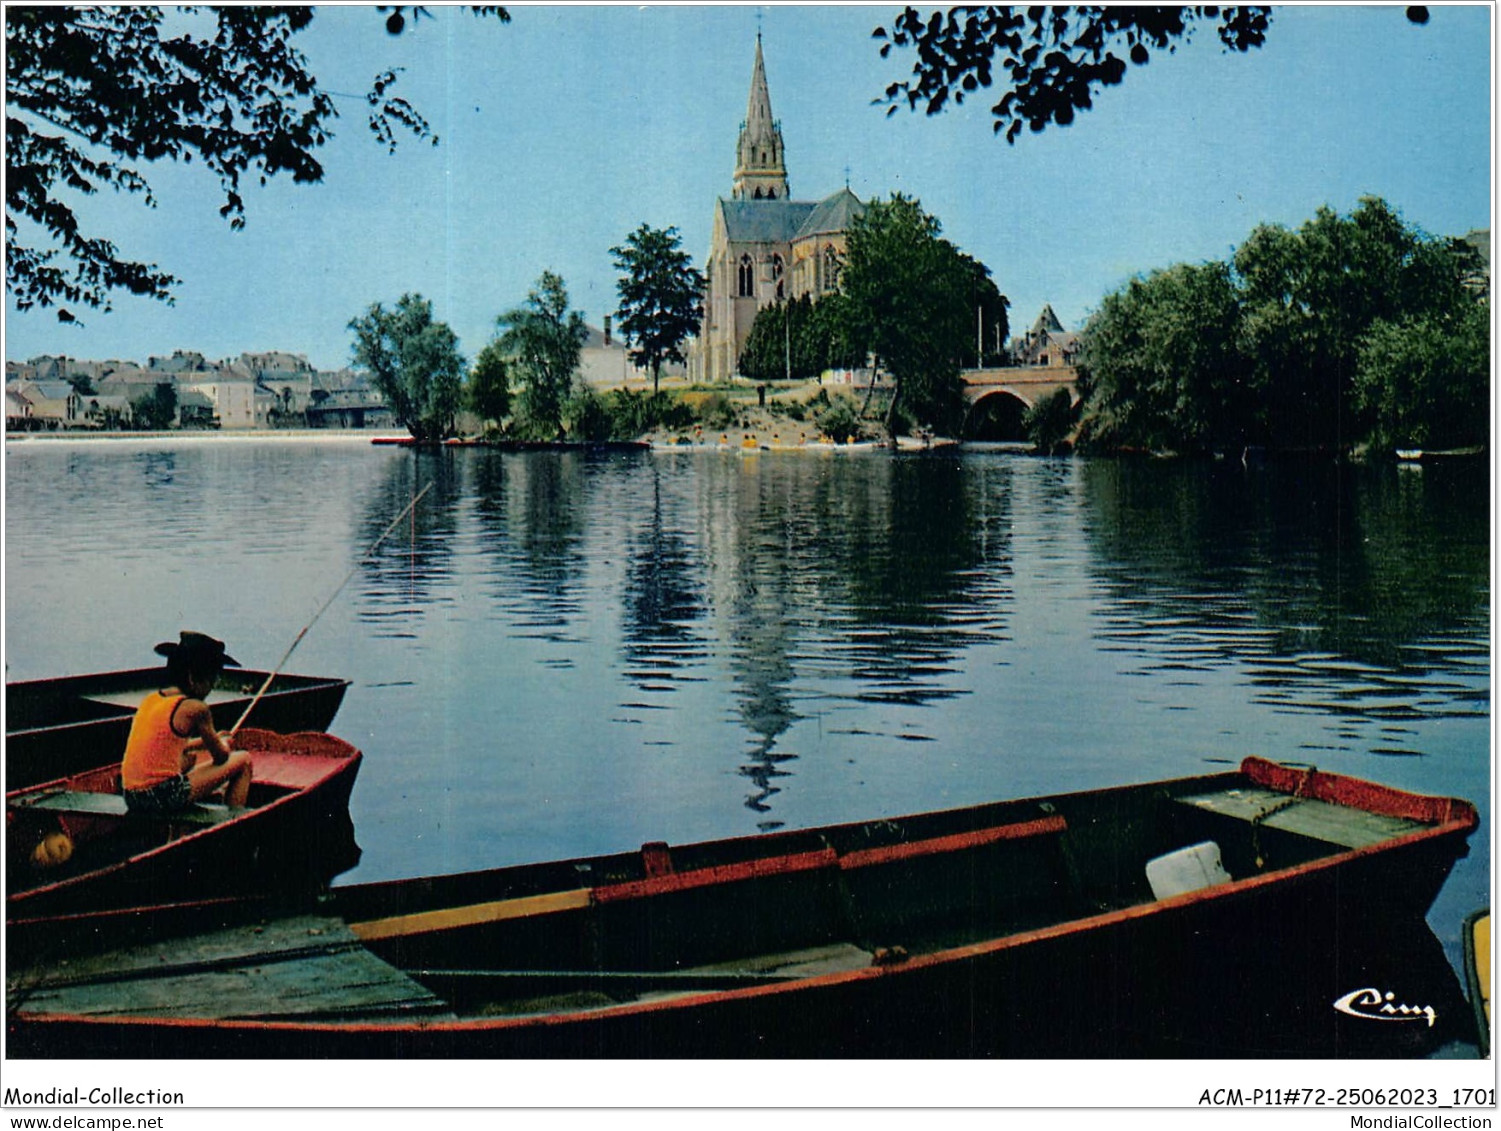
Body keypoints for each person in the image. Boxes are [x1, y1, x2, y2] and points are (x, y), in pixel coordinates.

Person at [121, 631, 253, 813]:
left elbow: (172, 746)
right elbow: (222, 756)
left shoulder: (151, 700)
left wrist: (209, 740)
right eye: (211, 680)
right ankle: (231, 826)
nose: (211, 687)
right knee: (244, 760)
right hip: (162, 797)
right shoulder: (196, 708)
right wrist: (223, 743)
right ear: (192, 678)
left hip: (131, 796)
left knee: (189, 759)